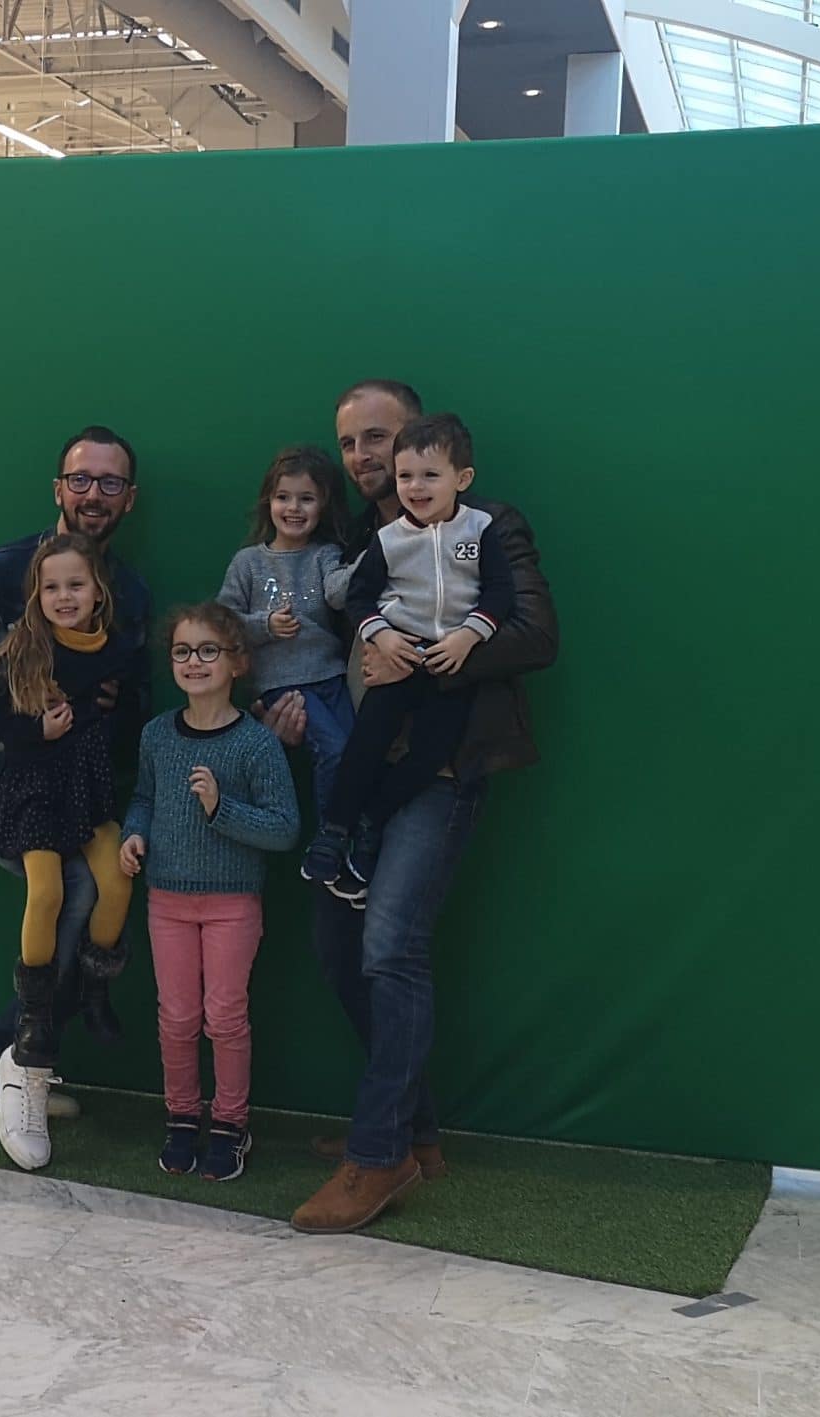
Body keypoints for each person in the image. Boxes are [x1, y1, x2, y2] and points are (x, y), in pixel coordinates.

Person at [263, 379, 558, 1236]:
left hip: (441, 769)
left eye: (381, 440)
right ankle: (415, 1132)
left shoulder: (487, 525)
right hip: (353, 774)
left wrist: (428, 656)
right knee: (337, 947)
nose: (367, 458)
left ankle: (380, 1150)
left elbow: (536, 634)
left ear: (431, 453)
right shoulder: (363, 536)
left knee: (391, 946)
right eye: (351, 442)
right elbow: (334, 629)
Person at [0, 428, 151, 1135]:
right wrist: (0, 695)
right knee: (71, 892)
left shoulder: (130, 593)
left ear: (129, 499)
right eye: (81, 479)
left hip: (77, 790)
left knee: (102, 889)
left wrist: (116, 703)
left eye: (110, 483)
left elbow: (132, 696)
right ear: (58, 488)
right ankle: (24, 1060)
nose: (93, 494)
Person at [0, 535, 136, 1168]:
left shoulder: (117, 651)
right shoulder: (25, 648)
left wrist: (109, 712)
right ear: (36, 595)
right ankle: (36, 1016)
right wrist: (35, 728)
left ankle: (93, 990)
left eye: (76, 585)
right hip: (35, 793)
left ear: (99, 592)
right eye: (52, 587)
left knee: (117, 881)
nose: (64, 597)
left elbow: (129, 714)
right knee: (49, 892)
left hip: (88, 792)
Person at [299, 414, 517, 903]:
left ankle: (372, 817)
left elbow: (502, 594)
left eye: (430, 476)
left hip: (450, 669)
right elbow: (359, 599)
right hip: (398, 662)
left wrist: (467, 637)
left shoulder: (481, 529)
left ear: (462, 479)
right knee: (364, 746)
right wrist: (381, 638)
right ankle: (334, 830)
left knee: (433, 755)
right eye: (405, 477)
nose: (415, 487)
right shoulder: (388, 539)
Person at [119, 604, 298, 1182]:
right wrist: (134, 835)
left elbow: (284, 828)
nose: (193, 662)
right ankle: (181, 1117)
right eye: (182, 651)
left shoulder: (256, 745)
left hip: (232, 905)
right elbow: (144, 798)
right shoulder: (156, 736)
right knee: (176, 1017)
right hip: (166, 900)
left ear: (237, 662)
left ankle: (230, 1123)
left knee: (224, 1016)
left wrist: (221, 808)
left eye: (207, 651)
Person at [217, 447, 352, 812]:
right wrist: (265, 625)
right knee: (335, 751)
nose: (294, 508)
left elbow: (339, 596)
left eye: (306, 499)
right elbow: (222, 625)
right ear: (268, 502)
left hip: (331, 678)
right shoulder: (248, 562)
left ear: (322, 505)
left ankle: (360, 836)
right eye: (283, 498)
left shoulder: (326, 555)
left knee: (358, 752)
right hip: (283, 684)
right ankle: (331, 838)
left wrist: (373, 560)